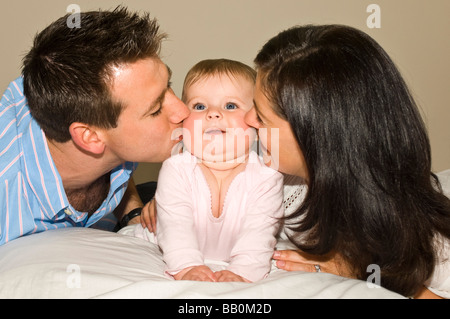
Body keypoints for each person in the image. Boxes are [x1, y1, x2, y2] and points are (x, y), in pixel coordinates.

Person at [244, 24, 450, 298]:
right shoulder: (282, 179)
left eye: (261, 116)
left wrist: (365, 272)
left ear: (315, 139)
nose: (247, 120)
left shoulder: (430, 244)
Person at [0, 7, 189, 245]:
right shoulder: (7, 196)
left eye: (168, 84)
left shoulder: (81, 101)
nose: (183, 111)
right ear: (89, 137)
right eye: (156, 109)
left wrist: (132, 211)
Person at [134, 59, 284, 282]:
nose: (213, 113)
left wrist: (242, 272)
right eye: (199, 106)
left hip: (237, 259)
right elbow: (176, 228)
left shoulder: (267, 177)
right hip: (165, 247)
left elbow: (259, 234)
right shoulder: (177, 169)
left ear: (256, 119)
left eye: (230, 106)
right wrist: (187, 266)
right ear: (184, 121)